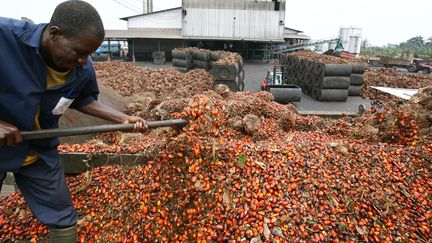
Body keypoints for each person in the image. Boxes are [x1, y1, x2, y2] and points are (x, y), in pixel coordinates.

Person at [0, 1, 146, 242]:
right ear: (55, 34)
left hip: (37, 150)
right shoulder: (6, 38)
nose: (84, 61)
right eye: (79, 52)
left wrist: (124, 118)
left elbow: (83, 99)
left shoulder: (83, 68)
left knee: (63, 217)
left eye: (89, 54)